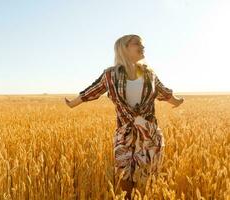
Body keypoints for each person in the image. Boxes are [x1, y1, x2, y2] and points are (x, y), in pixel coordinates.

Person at [64, 34, 184, 199]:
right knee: (124, 177)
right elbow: (91, 91)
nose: (142, 47)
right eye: (137, 44)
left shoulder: (149, 73)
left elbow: (163, 91)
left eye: (143, 44)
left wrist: (177, 101)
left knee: (147, 178)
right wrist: (72, 103)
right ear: (124, 48)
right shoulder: (110, 75)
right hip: (124, 133)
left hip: (149, 132)